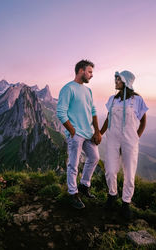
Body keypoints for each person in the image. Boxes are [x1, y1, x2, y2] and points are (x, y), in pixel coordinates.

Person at [100, 70, 148, 219]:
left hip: (130, 140)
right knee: (110, 169)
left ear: (126, 82)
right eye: (115, 79)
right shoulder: (113, 100)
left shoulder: (137, 100)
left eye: (118, 79)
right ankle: (112, 194)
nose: (115, 81)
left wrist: (135, 138)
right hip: (112, 138)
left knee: (129, 172)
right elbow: (108, 119)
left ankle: (126, 202)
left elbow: (143, 121)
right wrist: (99, 134)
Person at [57, 60, 102, 209]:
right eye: (89, 72)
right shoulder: (68, 89)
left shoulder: (88, 91)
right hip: (76, 134)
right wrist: (72, 131)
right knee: (73, 164)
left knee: (95, 158)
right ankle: (73, 193)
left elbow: (93, 112)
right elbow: (61, 112)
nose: (91, 75)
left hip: (89, 133)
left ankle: (84, 185)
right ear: (81, 71)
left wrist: (97, 131)